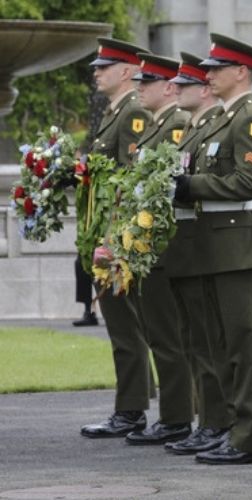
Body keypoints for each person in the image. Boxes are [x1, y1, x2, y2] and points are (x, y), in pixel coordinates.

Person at [173, 33, 252, 465]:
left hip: (237, 244)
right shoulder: (219, 121)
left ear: (241, 72)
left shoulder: (250, 121)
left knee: (243, 347)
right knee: (219, 346)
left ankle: (249, 438)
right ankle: (231, 428)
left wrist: (189, 186)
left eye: (216, 68)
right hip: (215, 245)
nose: (207, 75)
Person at [80, 37, 154, 439]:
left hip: (119, 237)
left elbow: (130, 180)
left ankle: (131, 411)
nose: (96, 72)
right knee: (122, 327)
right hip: (109, 232)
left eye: (103, 67)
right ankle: (132, 406)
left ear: (126, 72)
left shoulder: (133, 114)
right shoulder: (116, 112)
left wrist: (113, 237)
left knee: (127, 328)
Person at [161, 52, 233, 455]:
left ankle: (217, 421)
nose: (177, 90)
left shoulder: (216, 125)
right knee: (196, 340)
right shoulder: (193, 128)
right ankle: (209, 421)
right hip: (190, 242)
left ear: (204, 90)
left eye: (185, 85)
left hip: (209, 240)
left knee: (212, 341)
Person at [122, 53, 194, 446]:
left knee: (170, 336)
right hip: (152, 244)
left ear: (167, 87)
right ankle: (175, 414)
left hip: (166, 245)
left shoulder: (176, 125)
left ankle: (178, 416)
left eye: (146, 82)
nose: (138, 88)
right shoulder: (158, 125)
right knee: (161, 333)